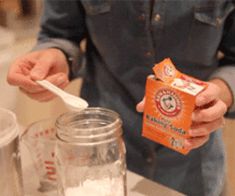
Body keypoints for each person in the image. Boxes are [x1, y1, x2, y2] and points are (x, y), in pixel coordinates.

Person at [7, 1, 235, 195]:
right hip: (99, 160)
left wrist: (219, 94)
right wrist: (56, 55)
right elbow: (59, 33)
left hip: (193, 169)